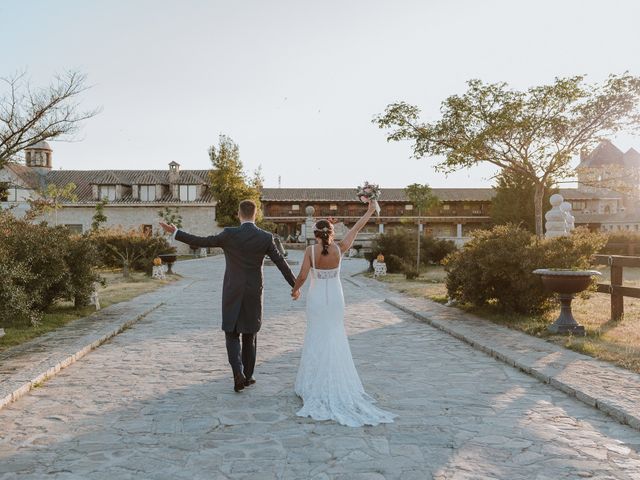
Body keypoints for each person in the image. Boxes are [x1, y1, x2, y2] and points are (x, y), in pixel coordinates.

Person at [159, 200, 296, 392]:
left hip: (232, 290)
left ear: (238, 214)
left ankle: (237, 373)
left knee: (231, 333)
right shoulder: (265, 237)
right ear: (255, 215)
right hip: (253, 292)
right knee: (250, 333)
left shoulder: (229, 234)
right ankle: (248, 376)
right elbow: (281, 262)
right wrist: (295, 285)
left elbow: (202, 241)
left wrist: (176, 232)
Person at [291, 199, 396, 427]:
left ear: (314, 234)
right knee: (334, 337)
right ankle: (334, 380)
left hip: (317, 301)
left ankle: (314, 383)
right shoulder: (339, 249)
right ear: (331, 232)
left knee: (316, 336)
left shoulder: (310, 251)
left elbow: (301, 276)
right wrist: (369, 211)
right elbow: (357, 228)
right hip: (336, 301)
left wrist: (295, 290)